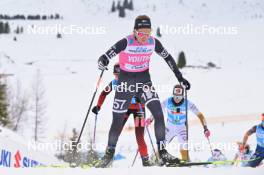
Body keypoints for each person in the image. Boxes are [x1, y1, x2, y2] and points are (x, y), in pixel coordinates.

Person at [97, 15, 190, 167]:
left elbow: (169, 58)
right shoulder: (126, 42)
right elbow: (106, 55)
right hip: (125, 84)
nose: (145, 37)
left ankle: (163, 153)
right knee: (117, 120)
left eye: (148, 33)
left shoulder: (153, 43)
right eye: (141, 33)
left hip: (143, 82)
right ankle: (109, 155)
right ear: (135, 31)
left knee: (159, 113)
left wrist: (180, 78)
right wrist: (103, 60)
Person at [92, 63, 151, 166]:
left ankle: (146, 161)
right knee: (115, 133)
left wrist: (141, 97)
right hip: (124, 109)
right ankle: (107, 159)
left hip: (139, 110)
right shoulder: (114, 83)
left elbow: (148, 92)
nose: (117, 78)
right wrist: (98, 106)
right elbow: (103, 93)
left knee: (139, 136)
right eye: (115, 75)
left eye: (120, 75)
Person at [158, 84, 210, 161]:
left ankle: (186, 162)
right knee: (161, 146)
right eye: (175, 96)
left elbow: (200, 115)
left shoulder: (188, 103)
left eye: (179, 97)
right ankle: (154, 159)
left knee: (184, 147)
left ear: (183, 95)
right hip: (169, 127)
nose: (177, 99)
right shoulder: (167, 101)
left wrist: (205, 128)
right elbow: (157, 109)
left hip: (181, 128)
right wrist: (150, 119)